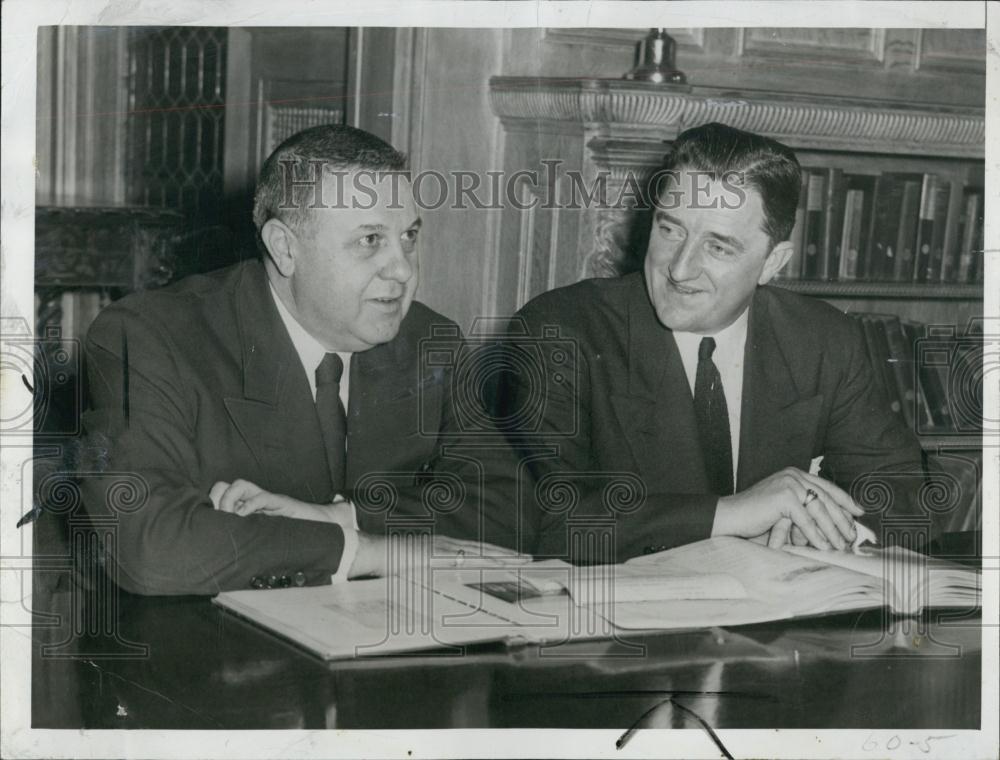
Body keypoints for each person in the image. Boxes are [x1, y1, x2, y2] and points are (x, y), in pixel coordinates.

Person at [81, 125, 527, 595]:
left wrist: (343, 517)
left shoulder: (427, 341)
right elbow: (149, 547)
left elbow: (511, 509)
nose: (403, 270)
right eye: (370, 240)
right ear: (285, 248)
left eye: (409, 237)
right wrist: (366, 551)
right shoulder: (152, 336)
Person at [501, 122, 926, 564]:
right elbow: (554, 523)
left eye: (718, 248)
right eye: (670, 230)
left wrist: (821, 532)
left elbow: (903, 493)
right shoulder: (559, 332)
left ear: (772, 263)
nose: (680, 269)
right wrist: (733, 515)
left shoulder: (823, 338)